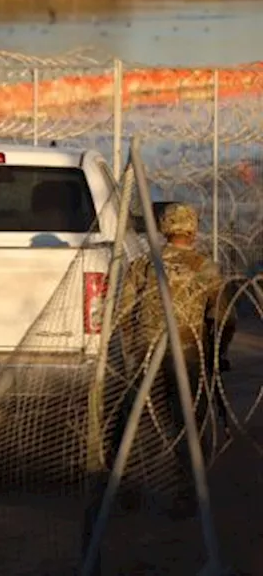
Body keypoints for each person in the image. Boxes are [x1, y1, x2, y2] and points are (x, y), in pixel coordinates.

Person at [115, 202, 234, 514]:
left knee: (132, 418)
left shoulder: (142, 264)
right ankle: (188, 493)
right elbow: (223, 317)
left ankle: (122, 487)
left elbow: (124, 312)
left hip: (146, 350)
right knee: (188, 421)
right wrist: (217, 353)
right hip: (188, 353)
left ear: (165, 229)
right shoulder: (205, 267)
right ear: (192, 230)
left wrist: (133, 344)